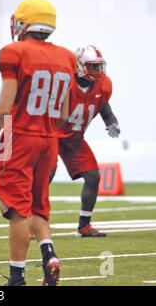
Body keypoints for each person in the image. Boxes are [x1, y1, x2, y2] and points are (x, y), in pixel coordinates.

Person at [0, 0, 76, 286]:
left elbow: (5, 106)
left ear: (25, 23)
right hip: (49, 140)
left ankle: (17, 277)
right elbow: (65, 112)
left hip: (21, 137)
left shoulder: (14, 51)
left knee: (18, 209)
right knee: (37, 206)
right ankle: (49, 255)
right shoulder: (67, 57)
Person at [49, 45, 120, 237]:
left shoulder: (102, 86)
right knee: (46, 174)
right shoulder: (65, 83)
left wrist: (112, 123)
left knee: (93, 176)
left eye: (98, 66)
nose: (97, 71)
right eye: (91, 66)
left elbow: (105, 108)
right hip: (53, 134)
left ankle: (84, 226)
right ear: (78, 65)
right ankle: (29, 221)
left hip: (75, 139)